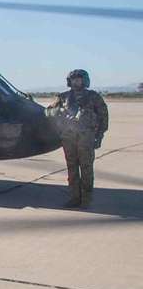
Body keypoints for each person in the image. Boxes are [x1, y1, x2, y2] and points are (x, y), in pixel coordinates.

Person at [46, 69, 109, 208]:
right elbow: (49, 113)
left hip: (86, 138)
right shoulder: (62, 97)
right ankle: (74, 198)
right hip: (68, 138)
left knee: (86, 169)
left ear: (84, 80)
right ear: (70, 81)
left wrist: (99, 136)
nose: (76, 82)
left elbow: (103, 117)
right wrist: (58, 113)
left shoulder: (93, 97)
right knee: (72, 168)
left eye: (79, 79)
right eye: (73, 79)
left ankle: (86, 199)